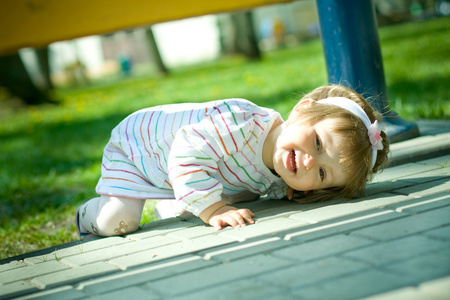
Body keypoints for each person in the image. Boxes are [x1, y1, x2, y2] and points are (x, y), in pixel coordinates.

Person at [75, 85, 389, 238]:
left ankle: (175, 203)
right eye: (318, 143)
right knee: (118, 222)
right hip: (140, 150)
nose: (308, 161)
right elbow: (185, 148)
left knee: (248, 194)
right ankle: (85, 214)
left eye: (322, 173)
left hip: (182, 170)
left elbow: (268, 182)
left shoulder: (282, 168)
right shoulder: (244, 124)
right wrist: (213, 209)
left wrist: (288, 189)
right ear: (303, 109)